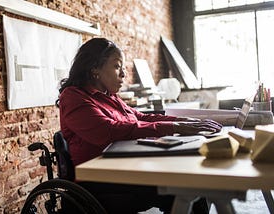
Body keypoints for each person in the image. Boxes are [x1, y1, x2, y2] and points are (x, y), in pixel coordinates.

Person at [57, 37, 222, 214]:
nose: (123, 74)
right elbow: (108, 131)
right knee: (184, 189)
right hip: (99, 181)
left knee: (191, 182)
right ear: (94, 68)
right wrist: (173, 127)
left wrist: (180, 122)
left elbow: (139, 117)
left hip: (124, 168)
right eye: (117, 66)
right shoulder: (74, 97)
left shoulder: (109, 96)